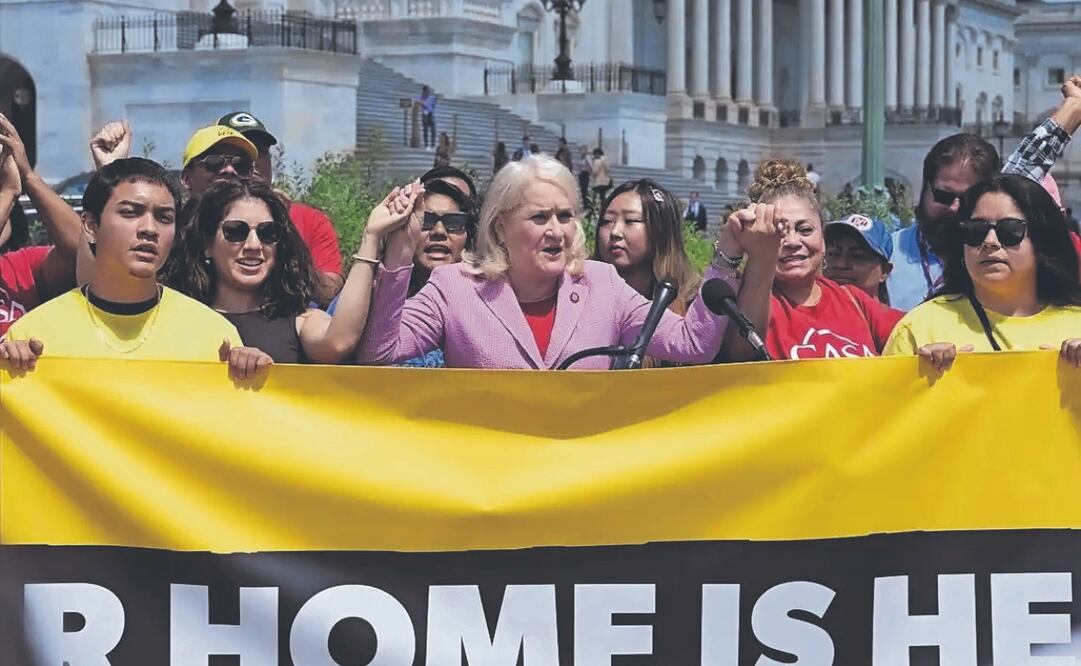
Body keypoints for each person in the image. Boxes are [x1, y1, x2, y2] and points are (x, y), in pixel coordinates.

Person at [355, 155, 740, 369]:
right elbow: (379, 352)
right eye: (540, 218)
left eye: (565, 216)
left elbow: (693, 344)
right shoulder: (454, 286)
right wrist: (400, 251)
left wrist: (725, 254)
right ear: (501, 226)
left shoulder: (602, 284)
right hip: (489, 488)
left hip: (580, 486)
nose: (556, 231)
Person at [0, 158, 263, 377]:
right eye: (130, 212)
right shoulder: (32, 336)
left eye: (164, 218)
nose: (149, 229)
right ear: (91, 226)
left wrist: (251, 375)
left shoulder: (216, 337)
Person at [889, 74, 1081, 312]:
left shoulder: (1002, 251)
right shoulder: (886, 251)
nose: (955, 208)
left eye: (968, 199)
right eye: (944, 196)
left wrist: (1073, 107)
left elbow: (1025, 167)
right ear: (925, 188)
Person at [170, 178, 413, 365]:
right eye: (236, 231)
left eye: (268, 233)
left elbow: (338, 341)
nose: (254, 245)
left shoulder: (299, 319)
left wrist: (371, 236)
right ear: (207, 244)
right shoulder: (175, 319)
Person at [884, 174, 1081, 370]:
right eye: (976, 230)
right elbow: (884, 398)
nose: (990, 242)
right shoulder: (920, 328)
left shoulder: (1076, 326)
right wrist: (917, 377)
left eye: (1010, 230)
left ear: (1042, 241)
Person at [719, 160, 904, 362]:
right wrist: (761, 257)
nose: (792, 241)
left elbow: (915, 332)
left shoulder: (853, 299)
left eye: (805, 229)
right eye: (777, 232)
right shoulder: (746, 300)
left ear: (823, 240)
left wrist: (936, 348)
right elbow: (741, 350)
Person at [217, 112, 345, 305]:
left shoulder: (310, 219)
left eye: (261, 153)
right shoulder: (202, 219)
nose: (254, 162)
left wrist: (284, 232)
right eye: (242, 155)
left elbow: (329, 291)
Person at [0, 113, 81, 335]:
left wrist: (27, 176)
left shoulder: (19, 268)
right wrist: (8, 191)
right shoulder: (8, 193)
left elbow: (82, 252)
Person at [594, 179, 700, 310]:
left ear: (661, 230)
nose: (615, 232)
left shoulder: (692, 305)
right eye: (607, 221)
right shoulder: (576, 293)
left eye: (630, 221)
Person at [824, 214, 895, 304]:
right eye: (833, 254)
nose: (841, 264)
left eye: (857, 256)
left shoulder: (902, 318)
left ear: (885, 271)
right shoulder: (803, 315)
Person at [417, 85, 437, 150]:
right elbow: (418, 102)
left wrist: (431, 109)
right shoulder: (421, 97)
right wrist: (422, 104)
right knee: (425, 130)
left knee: (433, 130)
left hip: (431, 114)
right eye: (427, 91)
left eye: (429, 91)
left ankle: (433, 145)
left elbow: (434, 106)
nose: (428, 92)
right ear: (424, 91)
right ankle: (426, 145)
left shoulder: (431, 98)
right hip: (425, 114)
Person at [575, 145, 592, 210]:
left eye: (582, 150)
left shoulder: (587, 157)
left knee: (585, 190)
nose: (581, 151)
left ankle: (588, 205)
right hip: (581, 174)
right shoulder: (581, 158)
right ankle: (585, 205)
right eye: (580, 150)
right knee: (583, 191)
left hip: (585, 174)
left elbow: (591, 165)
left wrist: (590, 172)